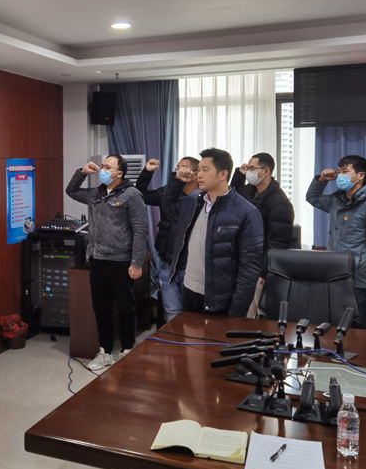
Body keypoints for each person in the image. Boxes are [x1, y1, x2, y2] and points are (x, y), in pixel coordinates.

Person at [66, 154, 148, 371]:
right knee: (101, 308)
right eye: (102, 166)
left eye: (107, 167)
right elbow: (71, 191)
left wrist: (137, 263)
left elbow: (140, 230)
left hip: (120, 260)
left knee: (125, 307)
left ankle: (128, 349)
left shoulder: (131, 195)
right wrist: (82, 173)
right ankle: (105, 352)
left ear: (119, 173)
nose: (102, 170)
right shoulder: (96, 193)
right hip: (97, 259)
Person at [306, 154, 366, 330]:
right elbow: (312, 198)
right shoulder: (336, 200)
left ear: (360, 175)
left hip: (359, 281)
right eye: (339, 171)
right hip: (335, 276)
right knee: (335, 328)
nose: (340, 175)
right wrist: (321, 180)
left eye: (345, 171)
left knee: (364, 330)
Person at [180, 148, 264, 316]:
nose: (199, 175)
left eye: (205, 170)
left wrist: (236, 312)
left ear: (223, 174)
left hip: (220, 298)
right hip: (189, 289)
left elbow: (249, 270)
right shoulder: (195, 201)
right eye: (198, 170)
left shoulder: (247, 212)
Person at [230, 152, 295, 317]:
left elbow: (278, 243)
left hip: (259, 268)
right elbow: (232, 197)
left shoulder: (279, 203)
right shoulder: (250, 191)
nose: (249, 172)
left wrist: (264, 271)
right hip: (243, 263)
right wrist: (239, 174)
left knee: (256, 315)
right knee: (240, 313)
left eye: (252, 168)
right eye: (248, 168)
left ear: (266, 171)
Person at [135, 156, 199, 322]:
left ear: (196, 173)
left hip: (190, 264)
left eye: (184, 167)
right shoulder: (168, 191)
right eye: (178, 167)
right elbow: (141, 194)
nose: (180, 170)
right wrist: (147, 172)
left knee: (192, 315)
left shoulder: (204, 196)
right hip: (166, 261)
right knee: (172, 311)